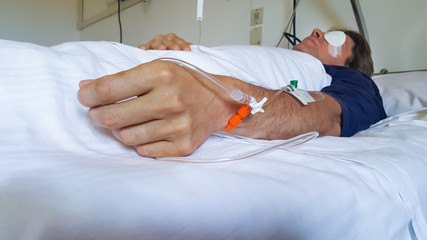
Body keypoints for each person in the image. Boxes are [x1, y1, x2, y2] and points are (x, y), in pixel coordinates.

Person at [78, 28, 386, 158]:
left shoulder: (352, 80)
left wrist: (221, 105)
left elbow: (332, 116)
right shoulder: (274, 61)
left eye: (335, 38)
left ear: (351, 64)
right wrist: (180, 49)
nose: (318, 31)